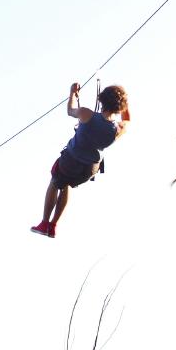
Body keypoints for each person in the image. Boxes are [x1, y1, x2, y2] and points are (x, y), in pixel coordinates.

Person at [32, 82, 130, 238]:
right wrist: (125, 104)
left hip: (71, 160)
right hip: (90, 169)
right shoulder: (118, 129)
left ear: (102, 100)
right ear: (120, 107)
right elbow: (127, 120)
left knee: (55, 182)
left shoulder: (86, 114)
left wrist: (72, 93)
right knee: (67, 185)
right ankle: (53, 226)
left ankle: (45, 223)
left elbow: (70, 110)